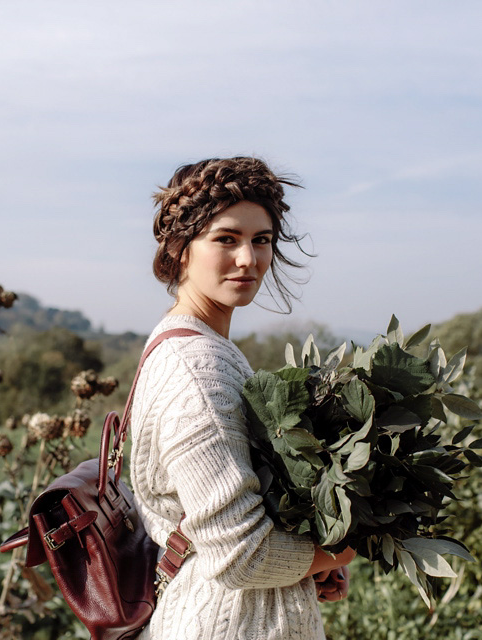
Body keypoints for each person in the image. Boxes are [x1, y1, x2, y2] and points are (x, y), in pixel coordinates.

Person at [129, 157, 354, 640]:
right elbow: (242, 556)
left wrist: (309, 563)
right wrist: (345, 549)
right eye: (226, 239)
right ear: (180, 248)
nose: (249, 259)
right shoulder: (197, 370)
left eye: (262, 240)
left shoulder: (199, 346)